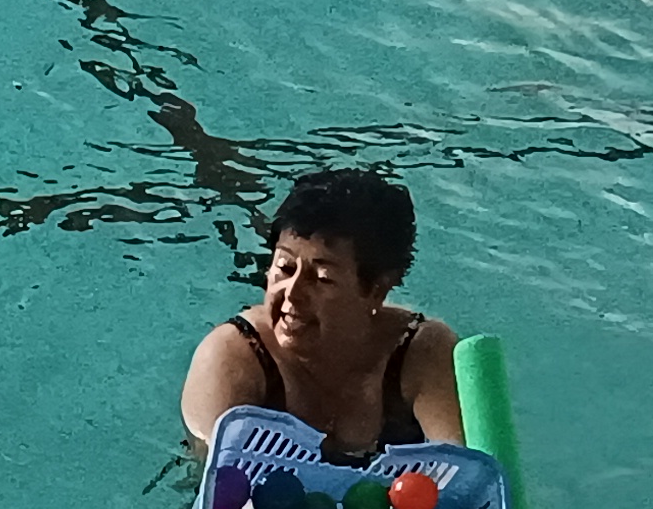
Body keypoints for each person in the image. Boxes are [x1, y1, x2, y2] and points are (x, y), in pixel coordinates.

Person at [178, 169, 465, 461]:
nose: (292, 294)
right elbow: (218, 476)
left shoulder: (419, 353)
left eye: (322, 278)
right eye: (285, 268)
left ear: (377, 290)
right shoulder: (233, 357)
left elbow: (466, 468)